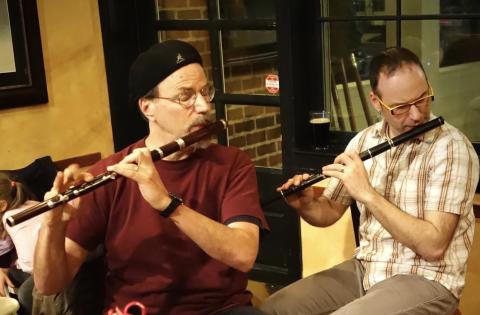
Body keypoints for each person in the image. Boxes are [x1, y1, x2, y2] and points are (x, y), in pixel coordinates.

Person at [33, 39, 269, 315]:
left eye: (206, 92)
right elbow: (48, 285)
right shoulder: (109, 174)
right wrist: (52, 227)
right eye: (185, 96)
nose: (204, 106)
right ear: (148, 108)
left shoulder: (232, 164)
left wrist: (169, 205)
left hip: (220, 310)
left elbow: (243, 255)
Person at [261, 47, 479, 315]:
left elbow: (433, 246)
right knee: (274, 309)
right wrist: (305, 205)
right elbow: (328, 212)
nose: (416, 114)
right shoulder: (364, 141)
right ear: (377, 102)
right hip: (367, 268)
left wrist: (368, 194)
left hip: (428, 278)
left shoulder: (452, 148)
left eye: (422, 99)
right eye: (400, 107)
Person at [0, 172, 39, 315]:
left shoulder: (11, 220)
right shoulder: (31, 203)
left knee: (25, 295)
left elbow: (31, 265)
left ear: (2, 205)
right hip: (41, 264)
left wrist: (5, 268)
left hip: (46, 268)